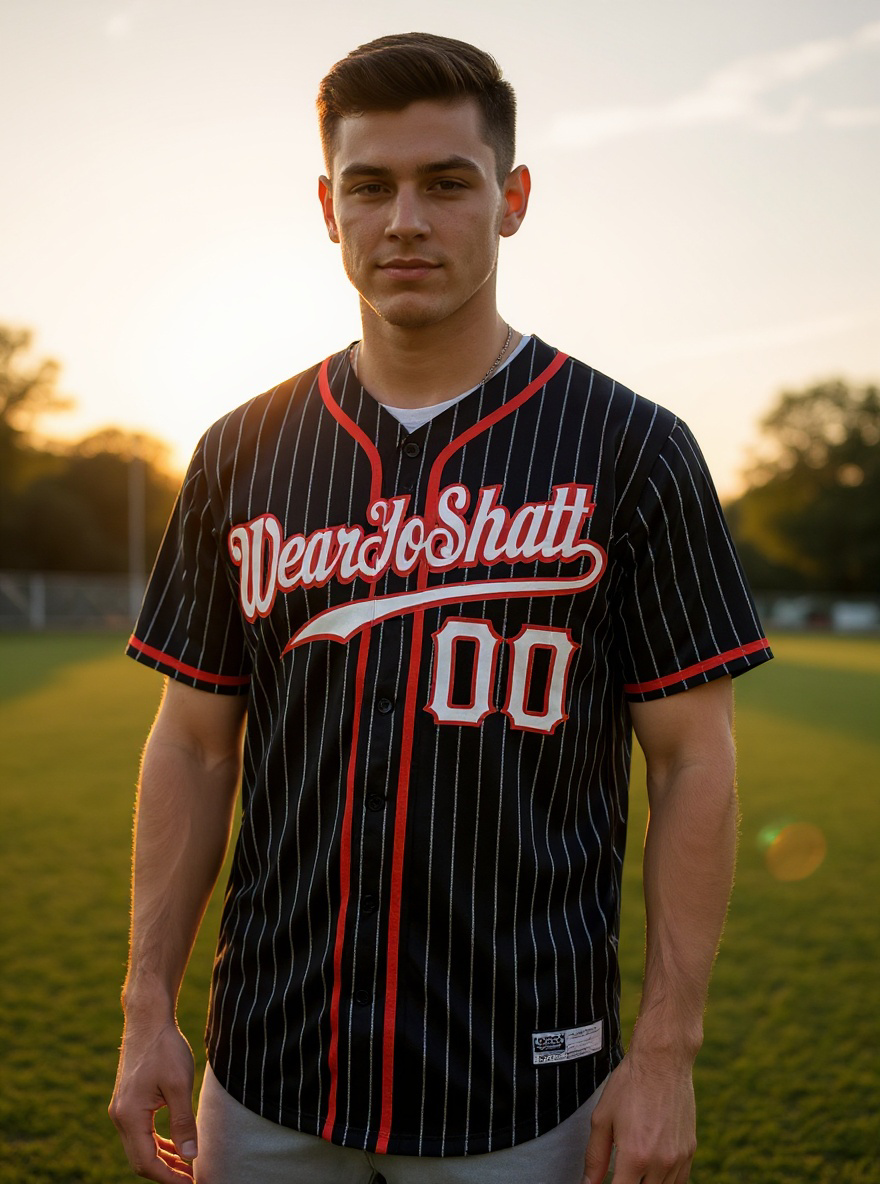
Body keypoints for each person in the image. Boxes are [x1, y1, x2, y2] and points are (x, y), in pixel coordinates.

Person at [109, 31, 772, 1184]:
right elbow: (195, 744)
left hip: (526, 1081)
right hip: (267, 1067)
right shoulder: (240, 449)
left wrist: (667, 1047)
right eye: (370, 185)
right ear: (328, 207)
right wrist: (144, 1003)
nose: (404, 220)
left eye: (447, 182)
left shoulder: (633, 448)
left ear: (512, 199)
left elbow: (691, 761)